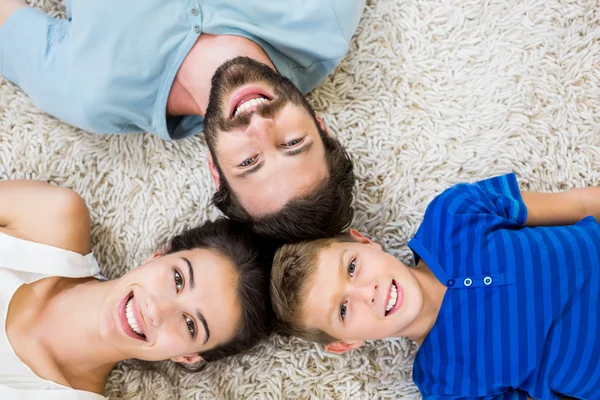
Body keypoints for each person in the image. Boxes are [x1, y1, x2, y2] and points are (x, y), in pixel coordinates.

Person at [0, 0, 362, 240]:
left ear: (215, 169)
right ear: (320, 126)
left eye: (249, 161)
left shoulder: (92, 92)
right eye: (292, 143)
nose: (259, 125)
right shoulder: (322, 18)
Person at [270, 173, 600, 399]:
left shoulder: (454, 211)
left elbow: (580, 205)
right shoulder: (445, 385)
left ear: (365, 241)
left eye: (353, 267)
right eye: (343, 309)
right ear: (346, 343)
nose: (366, 291)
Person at [0, 180, 273, 398]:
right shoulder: (51, 217)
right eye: (177, 279)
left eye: (190, 325)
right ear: (158, 255)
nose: (157, 309)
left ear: (186, 357)